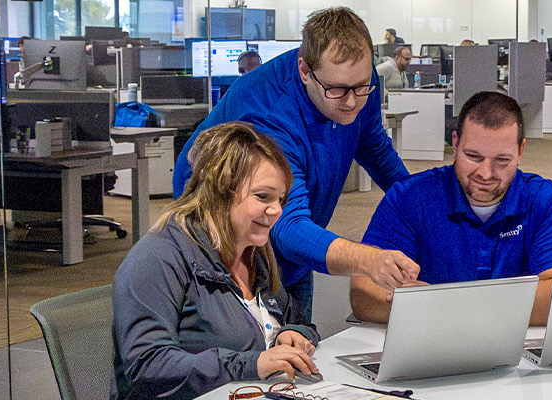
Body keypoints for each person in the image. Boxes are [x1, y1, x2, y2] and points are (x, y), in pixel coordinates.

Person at [172, 7, 420, 328]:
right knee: (243, 354)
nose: (351, 101)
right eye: (337, 89)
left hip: (288, 251)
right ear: (304, 70)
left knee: (298, 342)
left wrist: (418, 204)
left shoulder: (360, 81)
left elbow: (372, 146)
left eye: (361, 87)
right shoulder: (268, 113)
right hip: (222, 247)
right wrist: (367, 259)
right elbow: (286, 225)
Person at [114, 122, 319, 400]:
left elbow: (295, 319)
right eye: (263, 196)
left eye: (280, 198)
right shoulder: (158, 257)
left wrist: (293, 333)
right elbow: (146, 364)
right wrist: (251, 364)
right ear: (221, 190)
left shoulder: (251, 252)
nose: (277, 210)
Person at [349, 91, 552, 326]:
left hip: (518, 353)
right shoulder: (410, 197)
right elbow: (363, 293)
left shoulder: (548, 202)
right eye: (473, 156)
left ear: (520, 152)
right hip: (434, 351)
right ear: (455, 143)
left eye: (501, 160)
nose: (485, 173)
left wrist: (438, 302)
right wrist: (513, 302)